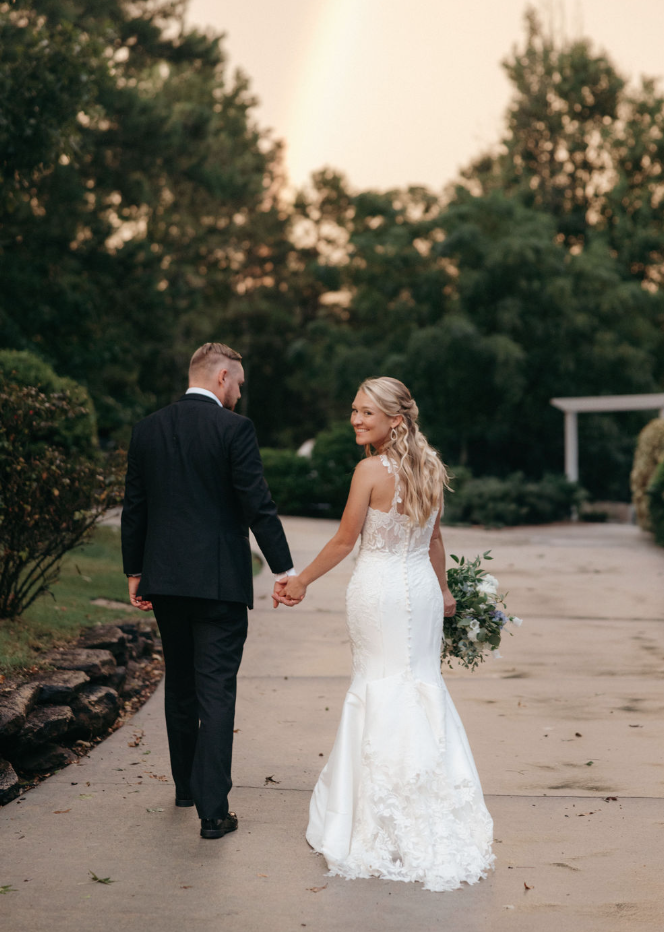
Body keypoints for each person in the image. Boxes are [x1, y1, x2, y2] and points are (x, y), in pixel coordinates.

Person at [279, 377, 494, 892]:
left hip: (378, 591)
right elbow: (435, 540)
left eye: (366, 413)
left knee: (378, 684)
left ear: (395, 420)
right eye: (354, 411)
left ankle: (376, 812)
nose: (355, 419)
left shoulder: (370, 471)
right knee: (417, 684)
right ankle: (432, 799)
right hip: (419, 589)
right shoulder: (431, 468)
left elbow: (344, 539)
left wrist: (301, 580)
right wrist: (442, 593)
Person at [121, 342, 298, 840]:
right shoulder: (234, 429)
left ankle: (185, 787)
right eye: (238, 383)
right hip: (219, 584)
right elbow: (257, 505)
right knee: (216, 690)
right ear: (222, 376)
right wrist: (283, 568)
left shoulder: (148, 429)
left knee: (179, 684)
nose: (240, 393)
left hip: (166, 581)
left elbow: (135, 508)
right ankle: (213, 812)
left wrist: (135, 570)